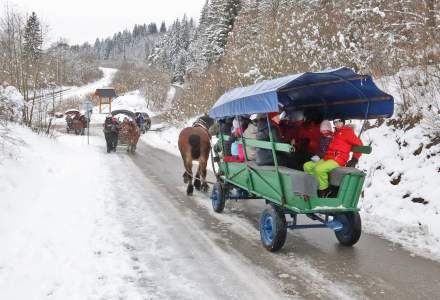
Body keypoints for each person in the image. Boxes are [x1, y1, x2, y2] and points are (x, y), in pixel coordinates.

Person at [303, 118, 363, 197]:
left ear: (343, 122)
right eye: (335, 122)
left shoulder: (348, 132)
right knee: (307, 166)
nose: (337, 124)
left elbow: (360, 144)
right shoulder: (335, 134)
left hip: (338, 160)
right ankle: (315, 185)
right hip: (328, 158)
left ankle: (324, 190)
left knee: (319, 169)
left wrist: (354, 159)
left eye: (339, 122)